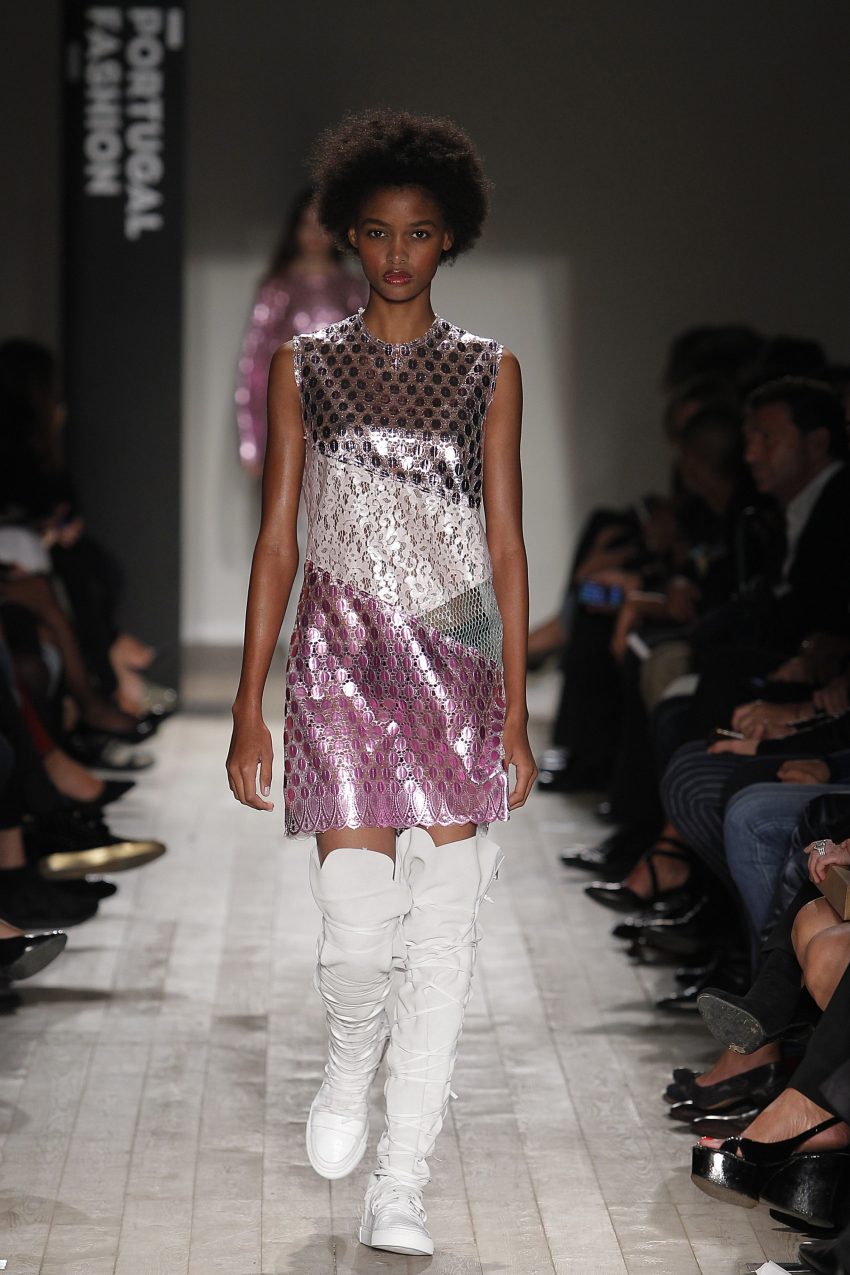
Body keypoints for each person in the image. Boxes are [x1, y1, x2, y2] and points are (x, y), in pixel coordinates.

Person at [226, 109, 536, 1258]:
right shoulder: (303, 366)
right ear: (348, 236)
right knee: (357, 934)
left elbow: (505, 545)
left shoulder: (489, 370)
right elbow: (276, 539)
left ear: (449, 238)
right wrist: (248, 703)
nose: (397, 253)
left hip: (456, 664)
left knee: (443, 940)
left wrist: (513, 706)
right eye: (376, 232)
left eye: (417, 233)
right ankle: (350, 1051)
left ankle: (401, 1181)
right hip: (340, 665)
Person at [235, 188, 367, 476]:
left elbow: (368, 355)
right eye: (307, 225)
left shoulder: (351, 287)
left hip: (342, 417)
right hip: (290, 411)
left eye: (323, 225)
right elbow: (255, 362)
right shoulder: (278, 287)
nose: (315, 234)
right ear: (294, 230)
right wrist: (252, 440)